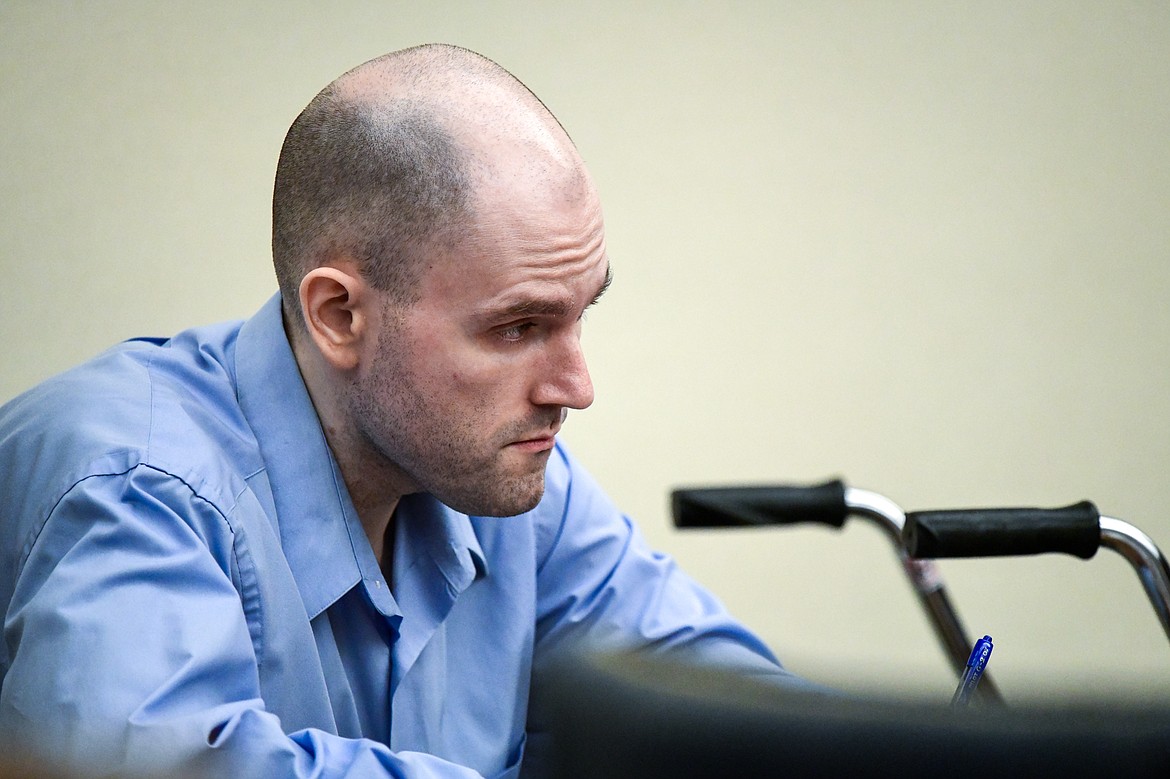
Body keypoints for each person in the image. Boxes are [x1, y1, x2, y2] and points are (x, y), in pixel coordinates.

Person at [0, 44, 802, 778]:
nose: (576, 386)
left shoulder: (509, 483)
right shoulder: (133, 487)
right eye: (518, 327)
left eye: (579, 314)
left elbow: (729, 718)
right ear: (339, 316)